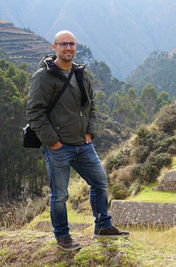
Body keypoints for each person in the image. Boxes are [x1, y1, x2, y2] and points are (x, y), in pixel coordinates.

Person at [26, 30, 128, 251]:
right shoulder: (43, 77)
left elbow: (91, 105)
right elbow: (35, 113)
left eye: (71, 44)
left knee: (100, 182)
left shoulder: (80, 74)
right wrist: (53, 142)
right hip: (58, 147)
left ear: (76, 47)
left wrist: (89, 132)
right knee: (60, 195)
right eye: (63, 44)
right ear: (54, 48)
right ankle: (62, 236)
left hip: (83, 145)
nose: (68, 48)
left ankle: (103, 226)